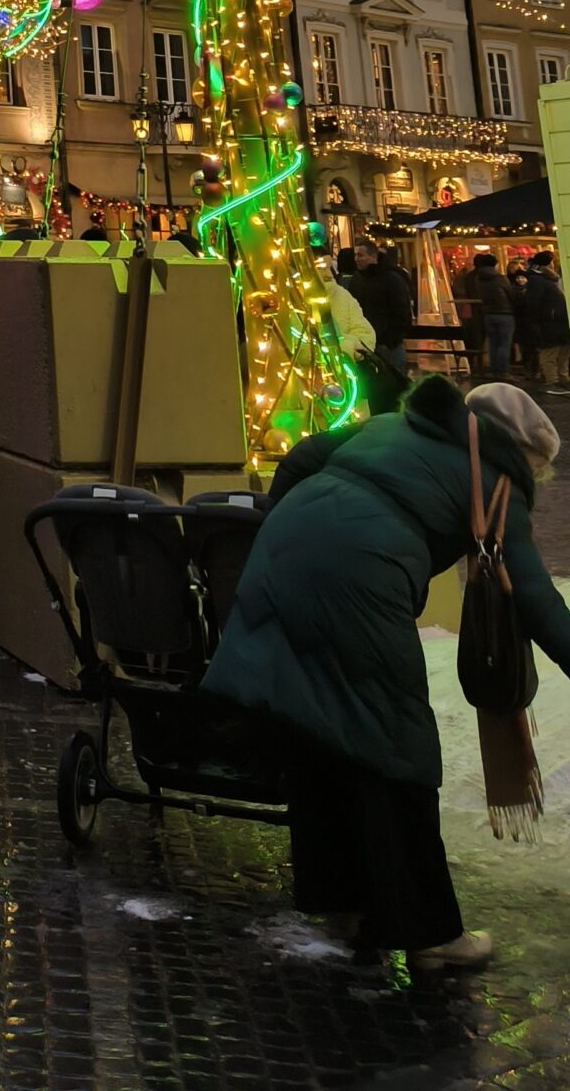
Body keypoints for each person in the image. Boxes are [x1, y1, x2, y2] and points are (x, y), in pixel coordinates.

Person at [205, 375, 570, 966]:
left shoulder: (385, 426)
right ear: (524, 455)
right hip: (360, 583)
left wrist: (298, 524)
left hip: (280, 553)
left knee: (316, 728)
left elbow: (299, 459)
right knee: (398, 743)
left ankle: (341, 902)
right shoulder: (497, 481)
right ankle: (428, 934)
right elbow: (536, 601)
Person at [345, 239, 415, 382]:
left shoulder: (392, 278)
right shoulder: (357, 279)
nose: (356, 259)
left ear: (373, 257)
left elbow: (402, 313)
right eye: (356, 255)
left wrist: (390, 339)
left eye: (360, 255)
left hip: (387, 345)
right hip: (366, 343)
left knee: (394, 383)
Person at [522, 252, 570, 389]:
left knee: (563, 351)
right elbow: (533, 303)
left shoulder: (547, 279)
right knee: (550, 352)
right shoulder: (538, 280)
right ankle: (553, 380)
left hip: (558, 320)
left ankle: (563, 378)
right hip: (549, 321)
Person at [470, 249, 516, 378]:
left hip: (488, 313)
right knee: (504, 344)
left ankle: (494, 369)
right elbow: (510, 293)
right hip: (505, 313)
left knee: (493, 343)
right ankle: (503, 371)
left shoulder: (479, 279)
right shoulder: (500, 278)